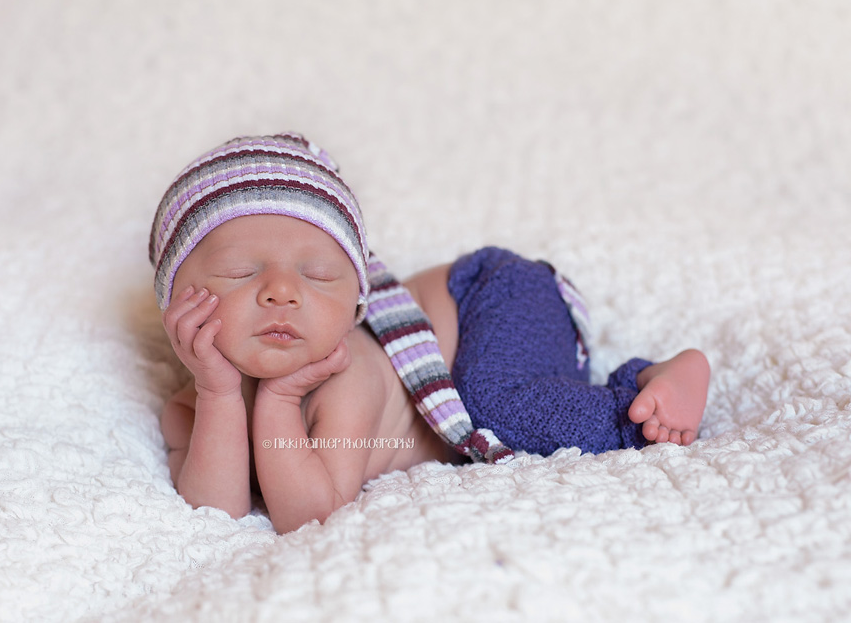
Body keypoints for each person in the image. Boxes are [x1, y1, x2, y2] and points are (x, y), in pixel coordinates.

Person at [149, 132, 710, 534]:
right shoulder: (188, 409)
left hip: (490, 298)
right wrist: (218, 394)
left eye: (318, 274)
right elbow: (215, 514)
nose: (282, 291)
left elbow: (313, 514)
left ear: (356, 299)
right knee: (504, 395)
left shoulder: (345, 375)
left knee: (497, 402)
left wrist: (278, 397)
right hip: (473, 317)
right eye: (240, 272)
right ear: (175, 299)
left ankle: (643, 389)